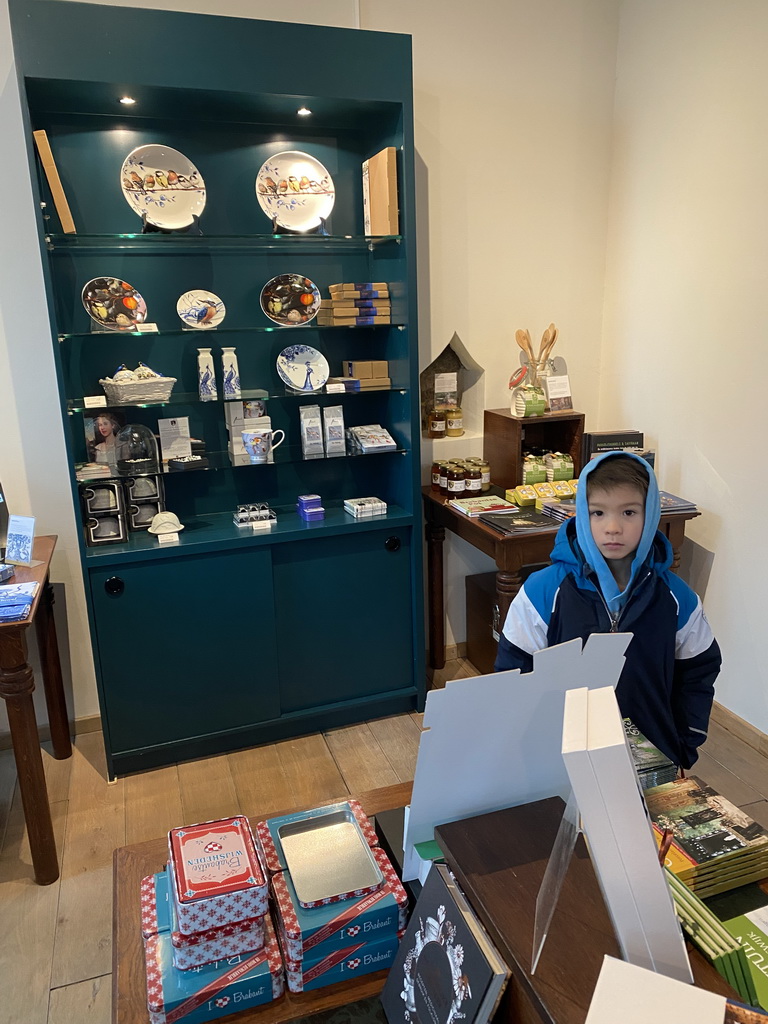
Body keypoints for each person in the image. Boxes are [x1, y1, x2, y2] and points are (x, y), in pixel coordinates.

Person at [494, 451, 721, 768]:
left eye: (629, 512)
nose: (613, 527)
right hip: (559, 756)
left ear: (651, 513)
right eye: (598, 513)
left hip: (652, 753)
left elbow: (698, 671)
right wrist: (525, 748)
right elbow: (513, 673)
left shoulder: (677, 598)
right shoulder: (542, 591)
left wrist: (684, 741)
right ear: (580, 516)